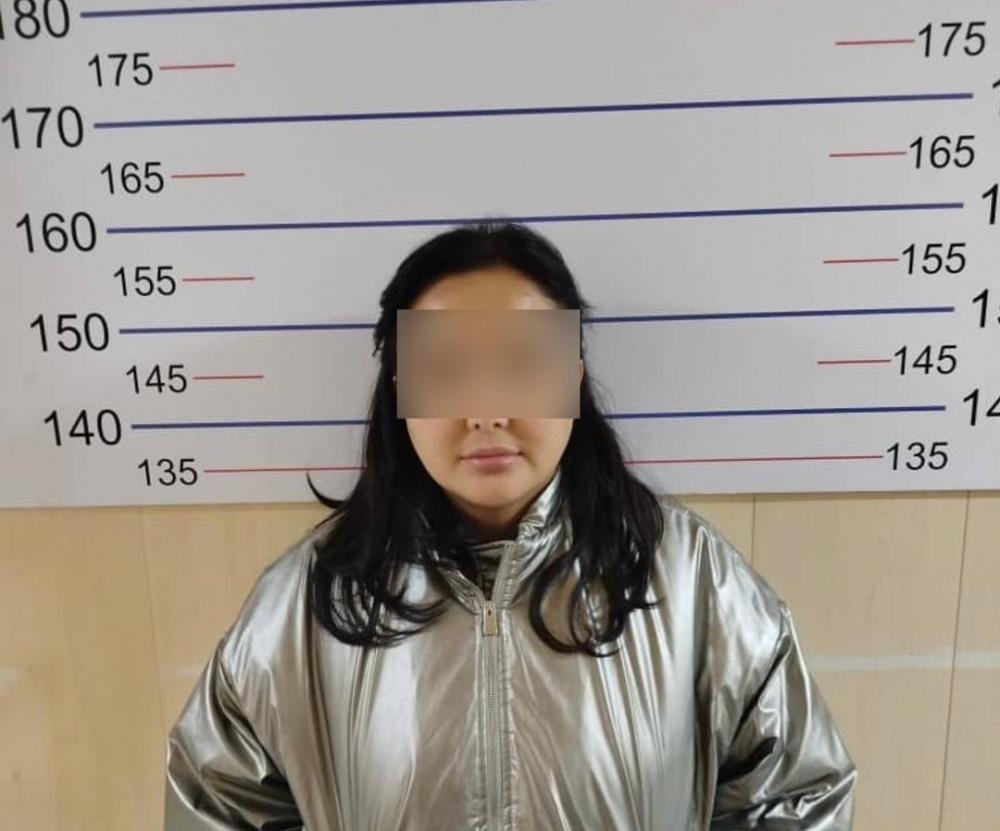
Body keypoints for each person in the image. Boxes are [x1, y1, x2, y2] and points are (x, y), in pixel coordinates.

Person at [163, 221, 857, 830]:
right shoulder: (307, 604)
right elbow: (217, 801)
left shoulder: (692, 581)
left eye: (523, 365)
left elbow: (797, 793)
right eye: (446, 370)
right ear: (400, 390)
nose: (487, 411)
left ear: (574, 378)